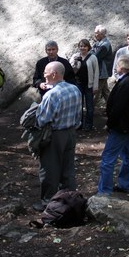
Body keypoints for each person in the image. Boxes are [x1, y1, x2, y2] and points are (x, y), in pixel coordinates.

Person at [33, 61, 82, 211]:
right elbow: (78, 115)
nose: (44, 75)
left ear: (54, 74)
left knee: (49, 170)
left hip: (54, 136)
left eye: (46, 72)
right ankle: (69, 201)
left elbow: (42, 120)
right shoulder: (75, 89)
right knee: (68, 169)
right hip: (71, 133)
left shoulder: (51, 95)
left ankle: (48, 203)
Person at [97, 55, 129, 195]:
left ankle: (104, 191)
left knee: (107, 158)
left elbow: (118, 107)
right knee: (127, 156)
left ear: (123, 67)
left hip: (122, 127)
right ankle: (124, 184)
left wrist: (110, 123)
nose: (116, 67)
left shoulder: (126, 83)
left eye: (117, 65)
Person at [71, 39, 99, 130]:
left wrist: (95, 86)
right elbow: (72, 70)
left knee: (89, 106)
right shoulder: (75, 56)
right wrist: (76, 62)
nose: (83, 48)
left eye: (85, 46)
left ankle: (88, 125)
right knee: (79, 105)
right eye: (81, 46)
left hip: (89, 85)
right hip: (78, 84)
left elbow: (96, 72)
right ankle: (79, 124)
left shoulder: (93, 57)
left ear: (88, 47)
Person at [91, 25, 114, 105]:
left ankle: (90, 108)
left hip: (102, 72)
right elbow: (91, 52)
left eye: (96, 33)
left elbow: (95, 57)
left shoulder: (104, 45)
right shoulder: (98, 43)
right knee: (105, 91)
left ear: (102, 34)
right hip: (101, 71)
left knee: (96, 91)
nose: (95, 35)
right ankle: (113, 107)